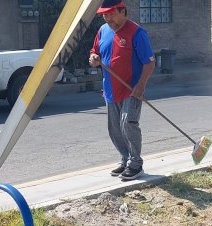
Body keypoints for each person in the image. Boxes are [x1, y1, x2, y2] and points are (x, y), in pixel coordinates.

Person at [89, 0, 155, 180]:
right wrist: (94, 58)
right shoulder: (103, 31)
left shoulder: (136, 33)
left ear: (122, 11)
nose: (107, 18)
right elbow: (94, 53)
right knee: (115, 129)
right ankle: (125, 159)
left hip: (131, 89)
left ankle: (136, 164)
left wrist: (140, 86)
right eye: (104, 14)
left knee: (128, 124)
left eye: (111, 13)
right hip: (110, 88)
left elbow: (149, 63)